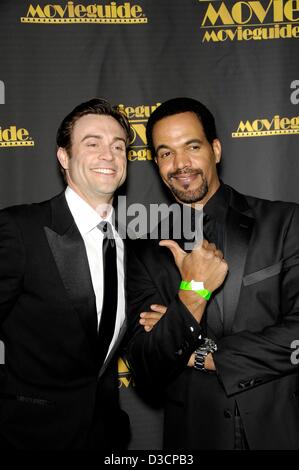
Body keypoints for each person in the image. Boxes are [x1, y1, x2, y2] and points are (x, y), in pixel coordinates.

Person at [126, 97, 299, 450]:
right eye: (165, 152)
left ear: (215, 149)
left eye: (192, 146)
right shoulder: (144, 250)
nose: (180, 164)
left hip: (281, 429)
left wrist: (204, 355)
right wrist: (195, 290)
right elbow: (147, 366)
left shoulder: (285, 223)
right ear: (156, 163)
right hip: (193, 436)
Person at [0, 98, 131, 450]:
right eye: (93, 144)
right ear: (64, 157)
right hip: (28, 435)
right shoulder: (20, 229)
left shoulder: (129, 244)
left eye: (118, 146)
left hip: (105, 436)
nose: (109, 154)